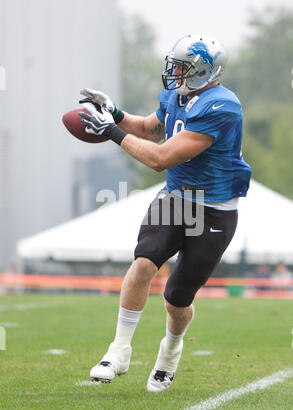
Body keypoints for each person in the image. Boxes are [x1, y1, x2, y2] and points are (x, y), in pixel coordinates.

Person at [79, 34, 251, 392]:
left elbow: (160, 158)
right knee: (144, 262)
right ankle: (118, 350)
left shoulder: (222, 106)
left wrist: (109, 131)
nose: (173, 72)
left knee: (177, 297)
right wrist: (115, 114)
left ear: (203, 71)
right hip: (175, 198)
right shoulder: (177, 95)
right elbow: (149, 130)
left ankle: (170, 351)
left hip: (215, 210)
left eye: (182, 67)